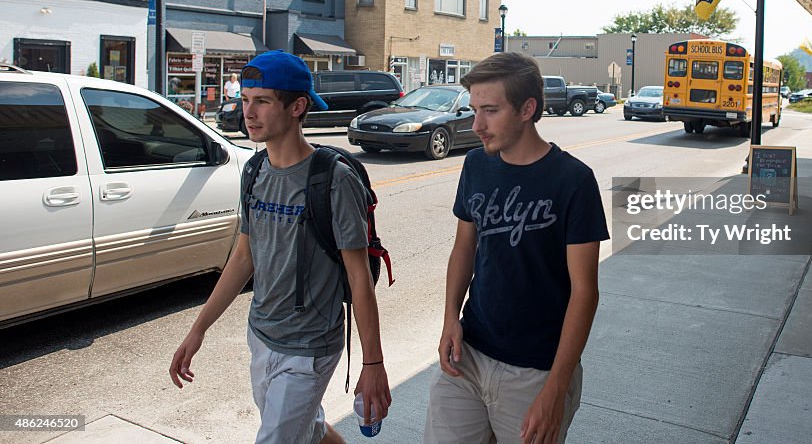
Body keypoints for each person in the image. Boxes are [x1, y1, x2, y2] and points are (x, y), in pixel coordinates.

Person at [169, 50, 390, 444]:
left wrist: (373, 363)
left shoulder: (333, 180)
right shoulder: (254, 171)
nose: (248, 112)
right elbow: (243, 257)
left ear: (297, 106)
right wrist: (197, 330)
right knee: (311, 429)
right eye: (245, 100)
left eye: (262, 101)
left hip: (310, 347)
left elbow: (359, 278)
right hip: (262, 334)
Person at [423, 52, 609, 444]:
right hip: (469, 356)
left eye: (490, 111)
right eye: (474, 110)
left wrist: (557, 388)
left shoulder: (573, 181)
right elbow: (464, 250)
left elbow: (585, 291)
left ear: (528, 109)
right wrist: (449, 319)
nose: (476, 125)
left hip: (537, 370)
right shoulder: (476, 165)